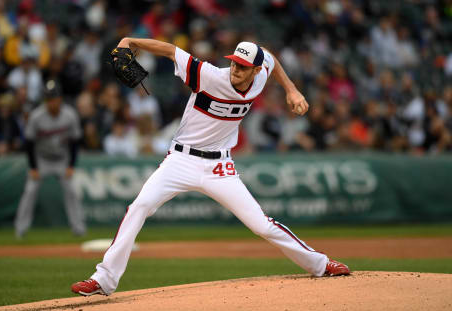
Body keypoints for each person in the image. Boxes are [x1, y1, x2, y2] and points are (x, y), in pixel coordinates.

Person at [71, 38, 350, 296]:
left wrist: (291, 89)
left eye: (243, 66)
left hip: (220, 165)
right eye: (233, 62)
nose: (235, 69)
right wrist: (130, 41)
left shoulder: (260, 77)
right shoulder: (208, 75)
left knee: (261, 226)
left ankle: (320, 264)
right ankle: (104, 279)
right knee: (138, 207)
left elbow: (271, 60)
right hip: (181, 160)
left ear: (255, 70)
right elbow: (170, 50)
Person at [14, 80, 86, 238]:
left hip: (62, 159)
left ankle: (79, 228)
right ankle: (20, 229)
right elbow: (29, 143)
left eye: (54, 98)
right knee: (30, 190)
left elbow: (75, 142)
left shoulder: (70, 114)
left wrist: (71, 165)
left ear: (60, 98)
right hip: (41, 159)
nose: (52, 101)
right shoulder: (36, 116)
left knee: (72, 191)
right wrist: (33, 167)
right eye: (48, 98)